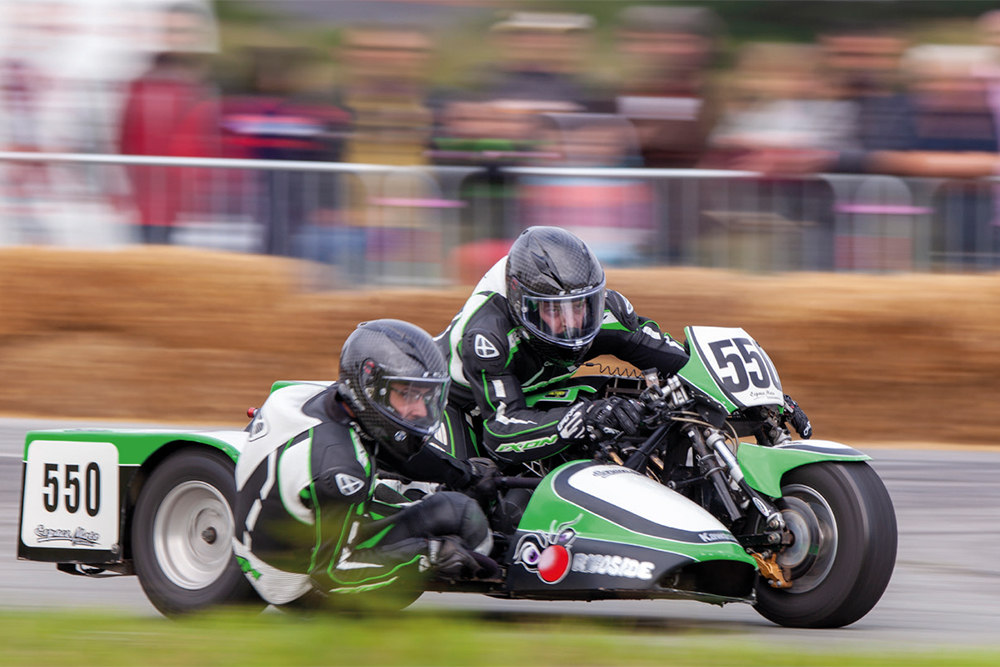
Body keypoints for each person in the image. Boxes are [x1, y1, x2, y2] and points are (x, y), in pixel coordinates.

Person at [437, 226, 814, 468]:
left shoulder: (604, 312)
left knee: (639, 403)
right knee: (472, 486)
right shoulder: (486, 335)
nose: (573, 325)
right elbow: (500, 431)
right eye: (555, 313)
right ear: (523, 304)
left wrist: (762, 398)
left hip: (541, 387)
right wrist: (583, 419)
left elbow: (680, 360)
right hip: (462, 406)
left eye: (582, 308)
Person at [233, 319, 498, 609]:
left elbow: (397, 452)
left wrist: (465, 474)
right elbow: (332, 574)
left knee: (433, 500)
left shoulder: (325, 400)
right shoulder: (341, 470)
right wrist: (429, 554)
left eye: (425, 395)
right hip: (296, 583)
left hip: (282, 532)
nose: (420, 409)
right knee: (455, 514)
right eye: (407, 394)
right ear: (371, 388)